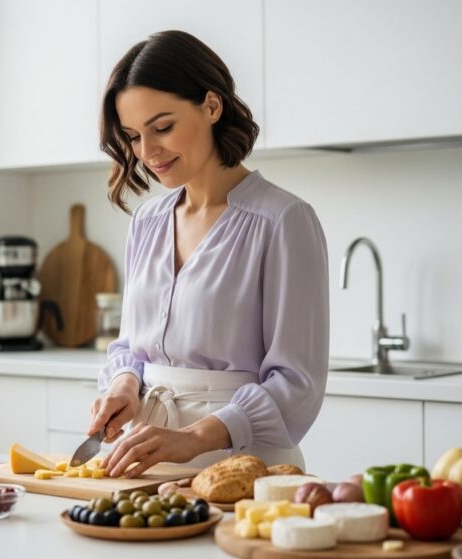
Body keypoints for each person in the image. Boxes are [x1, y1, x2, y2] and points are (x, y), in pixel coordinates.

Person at [89, 30, 329, 479]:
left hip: (242, 466)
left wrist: (196, 437)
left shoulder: (283, 220)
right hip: (144, 457)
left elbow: (298, 383)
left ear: (212, 106)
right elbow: (130, 345)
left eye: (162, 127)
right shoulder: (147, 221)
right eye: (133, 136)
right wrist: (124, 383)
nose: (147, 152)